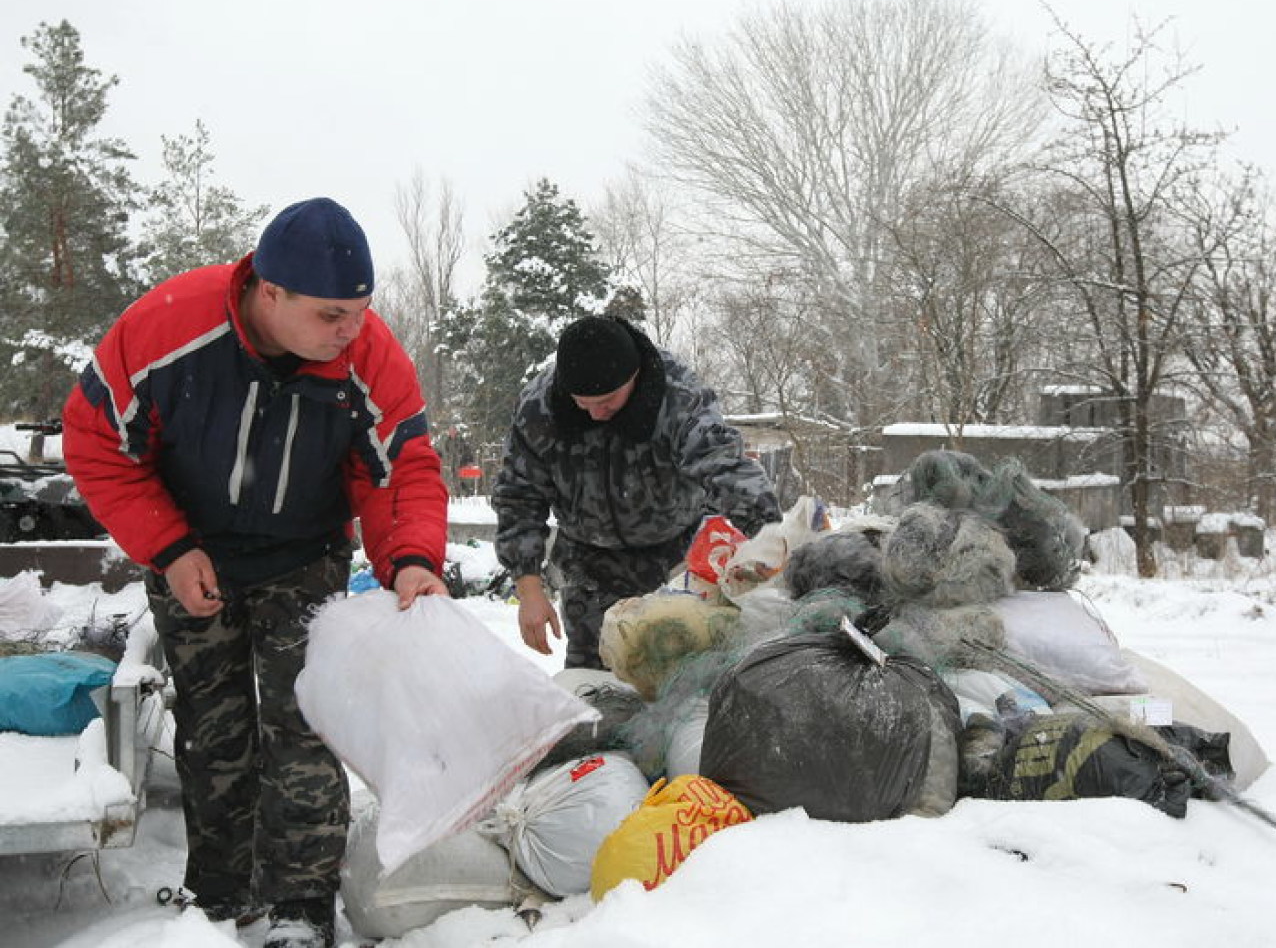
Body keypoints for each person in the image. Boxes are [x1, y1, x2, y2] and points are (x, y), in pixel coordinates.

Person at [62, 197, 449, 948]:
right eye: (333, 315)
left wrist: (411, 560)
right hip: (191, 551)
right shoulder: (167, 328)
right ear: (270, 293)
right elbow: (95, 441)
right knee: (214, 730)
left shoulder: (366, 356)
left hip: (304, 556)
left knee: (304, 726)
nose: (352, 330)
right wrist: (168, 548)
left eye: (361, 311)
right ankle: (220, 890)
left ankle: (300, 904)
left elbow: (403, 468)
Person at [492, 314, 781, 669]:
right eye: (583, 403)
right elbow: (518, 496)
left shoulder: (679, 397)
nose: (597, 414)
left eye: (608, 400)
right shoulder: (540, 408)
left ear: (635, 377)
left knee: (685, 680)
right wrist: (529, 589)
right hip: (589, 566)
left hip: (679, 560)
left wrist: (770, 541)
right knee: (598, 686)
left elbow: (725, 466)